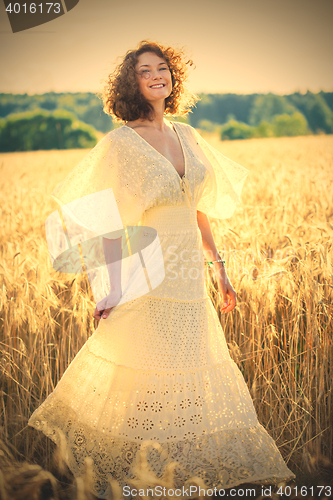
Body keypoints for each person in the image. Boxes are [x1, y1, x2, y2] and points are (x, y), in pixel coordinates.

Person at [28, 40, 295, 499]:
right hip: (147, 274)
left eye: (163, 67)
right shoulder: (120, 143)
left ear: (174, 78)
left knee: (190, 372)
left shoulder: (188, 135)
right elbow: (98, 218)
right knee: (141, 374)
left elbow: (198, 208)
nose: (157, 75)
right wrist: (107, 287)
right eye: (145, 70)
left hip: (190, 277)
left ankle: (176, 477)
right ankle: (125, 478)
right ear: (131, 83)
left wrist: (221, 268)